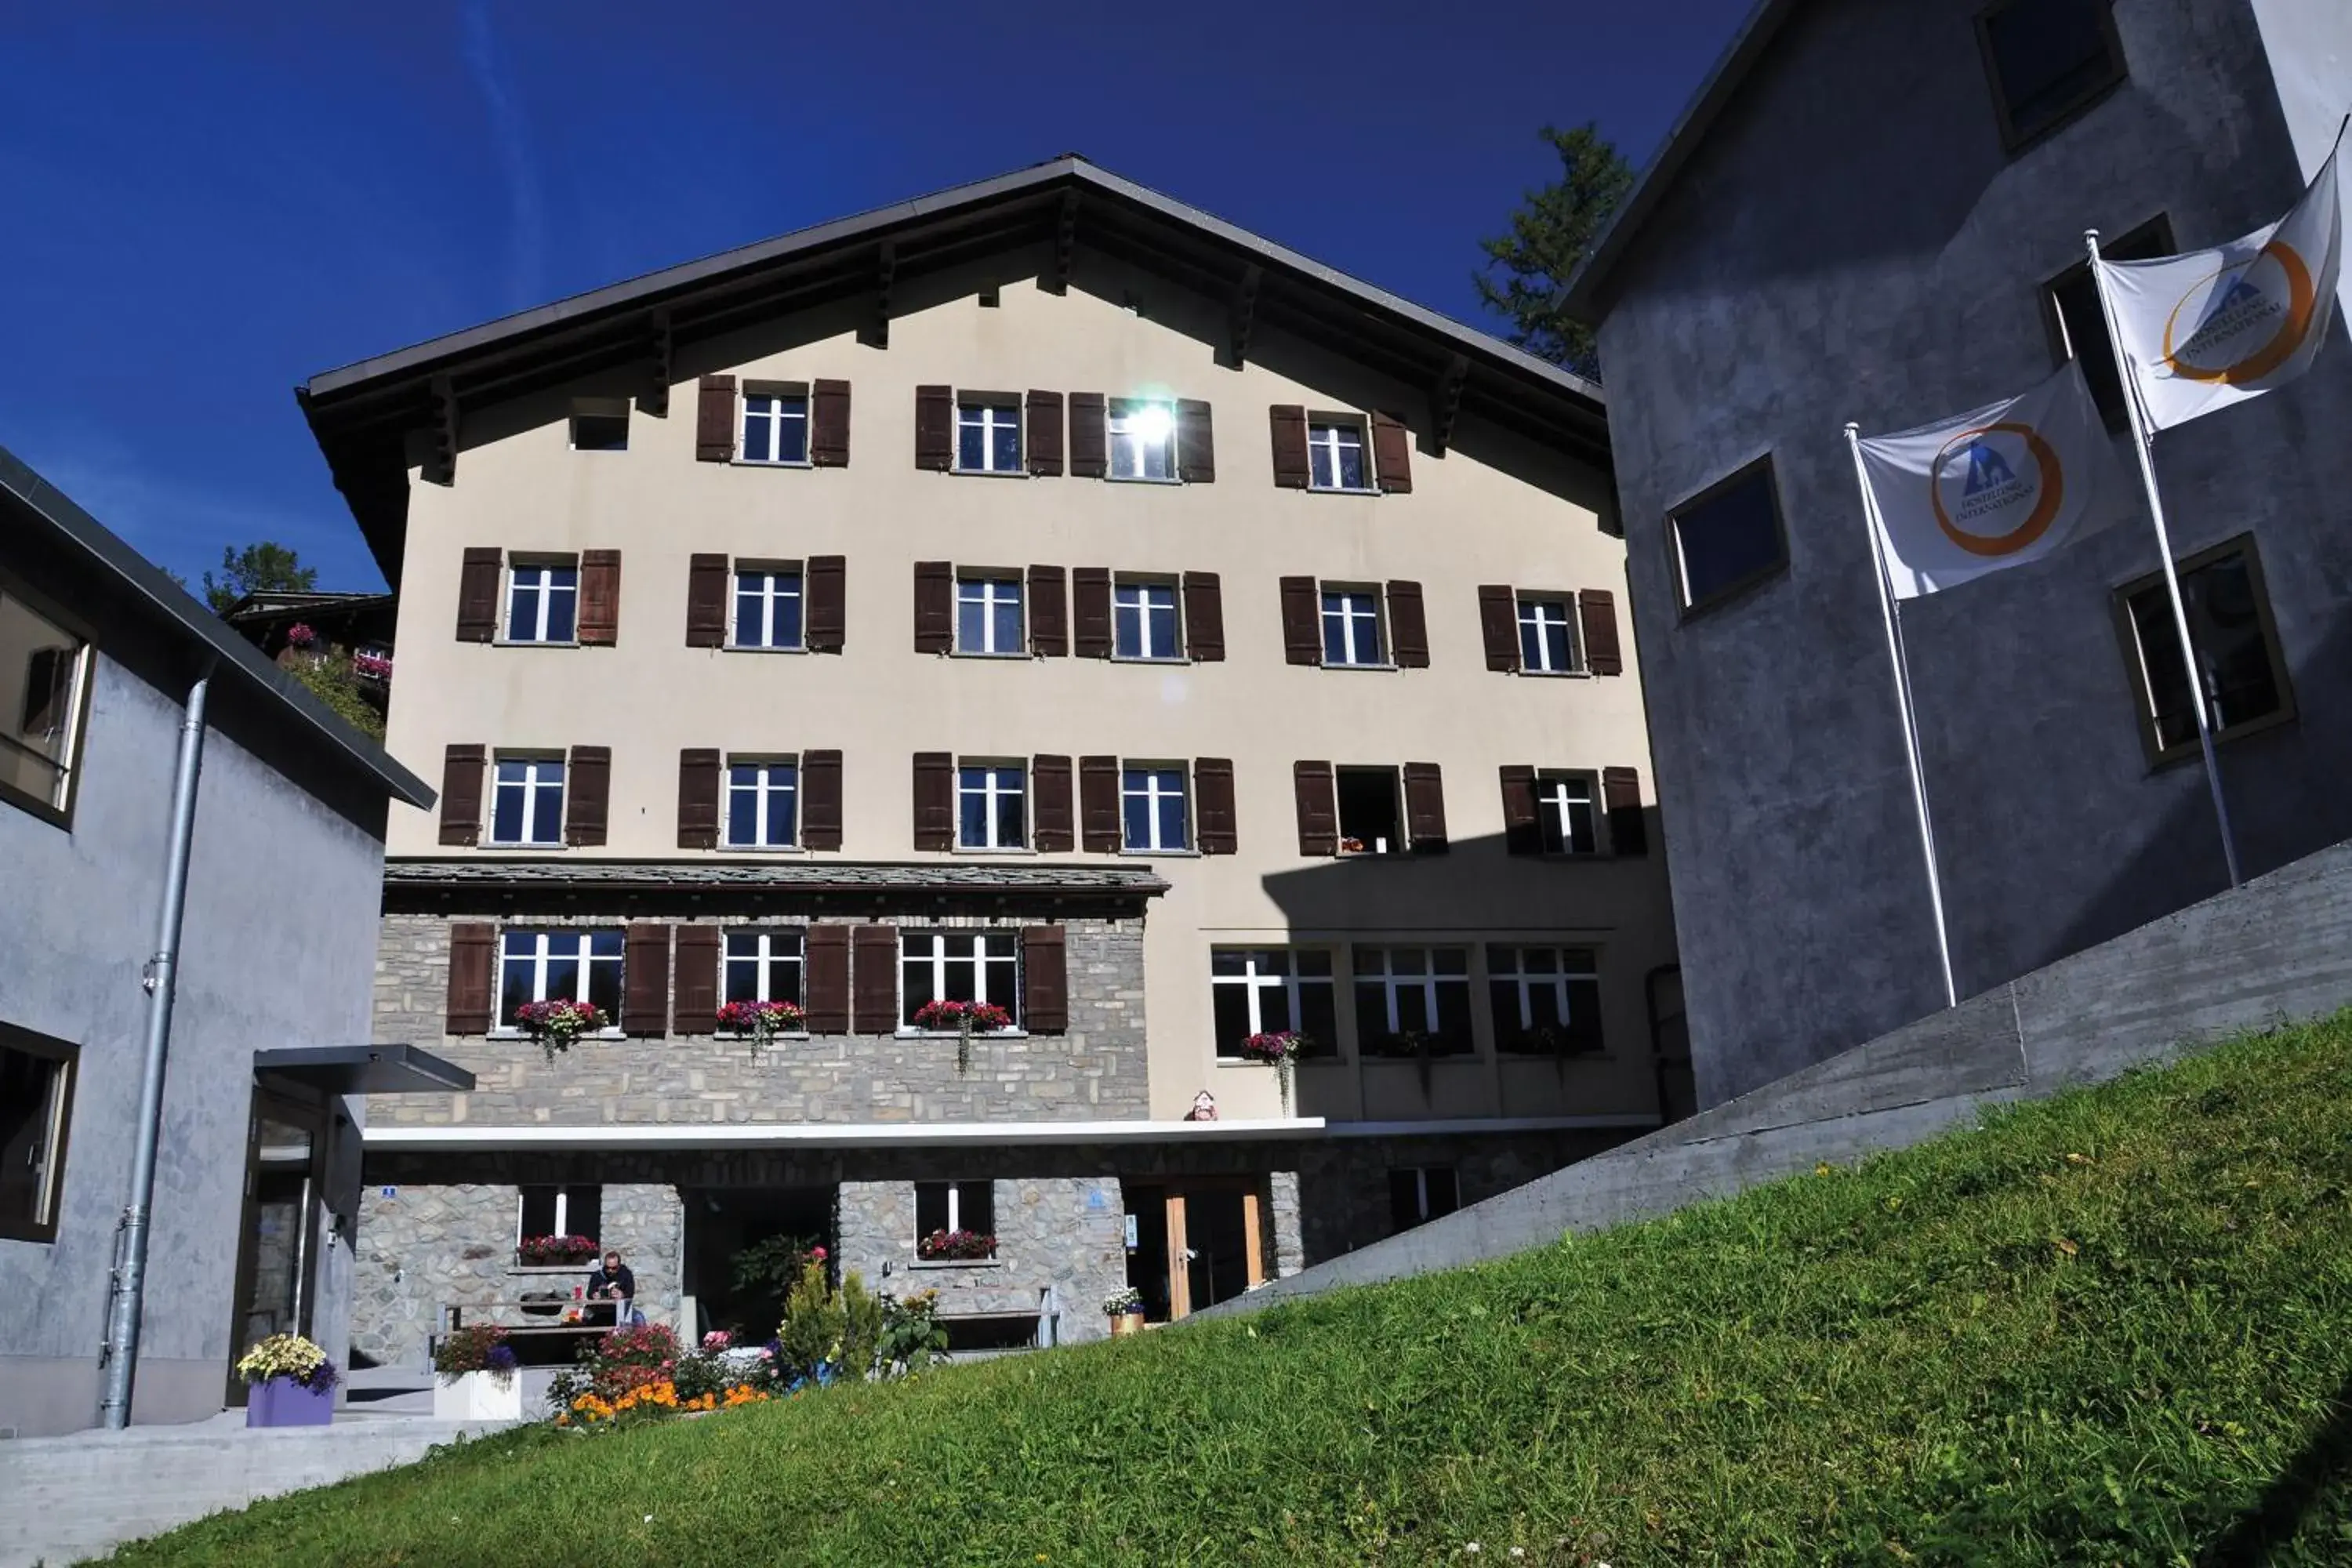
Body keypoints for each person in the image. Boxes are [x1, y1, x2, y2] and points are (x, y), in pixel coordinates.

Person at [585, 1249, 636, 1327]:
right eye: (608, 1268)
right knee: (587, 1315)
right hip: (600, 1309)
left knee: (639, 1318)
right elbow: (589, 1293)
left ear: (619, 1265)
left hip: (619, 1309)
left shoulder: (626, 1275)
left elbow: (630, 1293)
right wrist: (594, 1295)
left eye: (614, 1268)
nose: (610, 1271)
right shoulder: (597, 1276)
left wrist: (622, 1295)